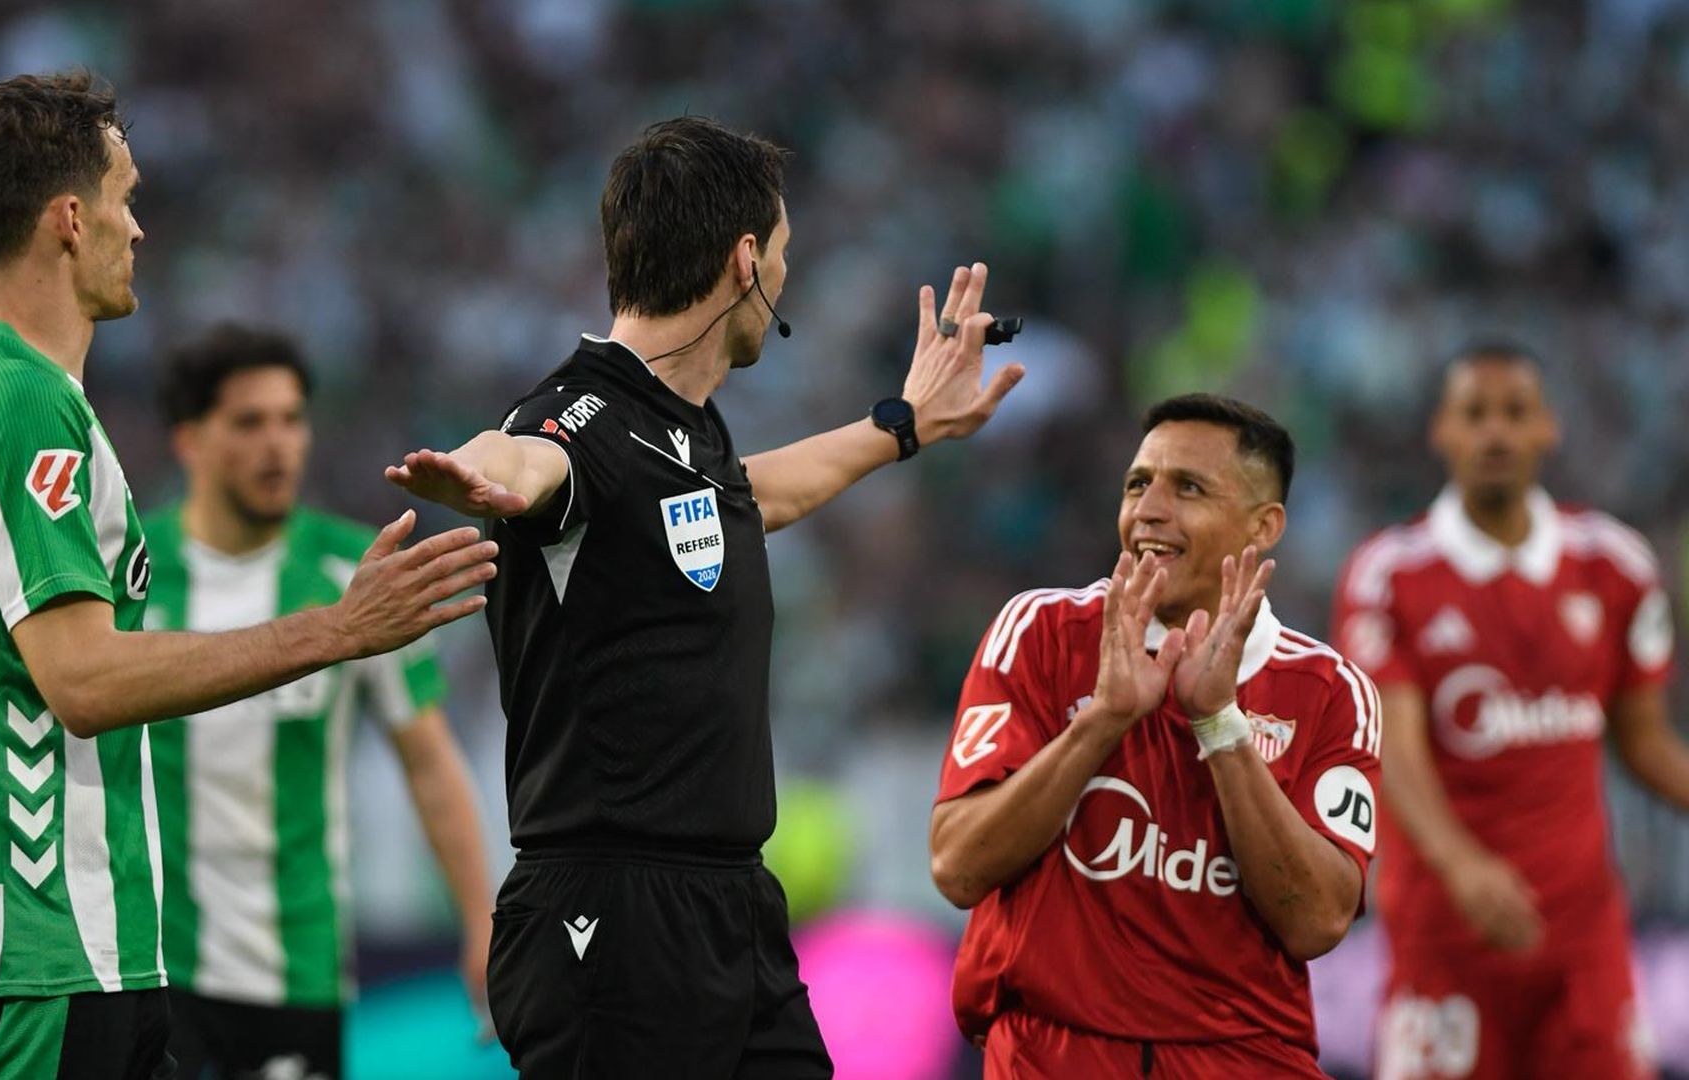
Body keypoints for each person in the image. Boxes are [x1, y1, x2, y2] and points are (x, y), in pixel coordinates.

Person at [0, 73, 496, 1080]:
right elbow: (86, 682)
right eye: (125, 195)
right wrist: (334, 630)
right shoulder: (28, 408)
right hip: (49, 963)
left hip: (12, 967)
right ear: (69, 219)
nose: (138, 227)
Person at [385, 116, 1025, 1078]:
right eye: (785, 252)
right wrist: (476, 476)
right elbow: (526, 454)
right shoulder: (581, 414)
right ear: (744, 261)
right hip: (608, 907)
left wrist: (903, 423)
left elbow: (754, 499)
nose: (786, 278)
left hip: (732, 909)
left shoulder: (685, 435)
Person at [928, 393, 1384, 1078]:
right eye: (1138, 483)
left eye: (1188, 488)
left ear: (1263, 527)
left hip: (1242, 1058)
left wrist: (1220, 724)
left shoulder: (1330, 691)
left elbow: (1318, 922)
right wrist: (1103, 721)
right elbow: (958, 866)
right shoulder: (1041, 634)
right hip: (1051, 1051)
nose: (1148, 510)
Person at [142, 324, 497, 1079]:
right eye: (249, 421)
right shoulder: (127, 577)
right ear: (190, 442)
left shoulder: (356, 572)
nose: (279, 444)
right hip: (150, 974)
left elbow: (429, 760)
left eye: (292, 418)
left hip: (297, 970)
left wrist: (481, 919)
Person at [1332, 342, 1687, 1080]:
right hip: (1445, 935)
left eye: (1514, 413)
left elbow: (1646, 745)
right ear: (1442, 433)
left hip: (1583, 942)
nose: (1495, 433)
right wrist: (1464, 869)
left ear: (1548, 429)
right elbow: (1395, 754)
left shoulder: (1614, 564)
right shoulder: (1390, 575)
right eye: (1475, 414)